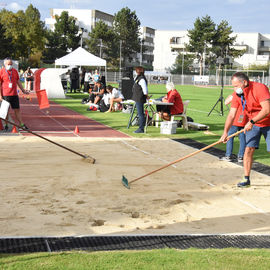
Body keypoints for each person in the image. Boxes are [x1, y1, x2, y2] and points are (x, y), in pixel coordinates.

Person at [220, 72, 270, 187]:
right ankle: (246, 179)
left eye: (236, 86)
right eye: (233, 86)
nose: (234, 88)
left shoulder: (260, 88)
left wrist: (252, 121)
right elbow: (231, 115)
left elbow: (267, 110)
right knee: (248, 150)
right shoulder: (238, 95)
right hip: (253, 124)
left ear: (245, 82)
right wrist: (225, 132)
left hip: (267, 122)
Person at [0, 58, 30, 130]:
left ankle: (21, 124)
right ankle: (6, 124)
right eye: (8, 64)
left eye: (11, 64)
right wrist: (0, 95)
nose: (10, 65)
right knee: (6, 111)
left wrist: (23, 90)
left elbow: (18, 81)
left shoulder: (15, 71)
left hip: (14, 94)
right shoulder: (2, 72)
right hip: (5, 95)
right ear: (5, 64)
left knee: (17, 110)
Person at [219, 93, 248, 163]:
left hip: (235, 119)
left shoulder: (235, 94)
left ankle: (228, 155)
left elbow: (226, 102)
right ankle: (241, 156)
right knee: (243, 138)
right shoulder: (249, 94)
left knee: (229, 137)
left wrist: (230, 96)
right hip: (245, 119)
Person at [131, 66, 149, 133]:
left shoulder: (142, 79)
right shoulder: (138, 78)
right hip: (138, 98)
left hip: (140, 98)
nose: (136, 72)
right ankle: (141, 128)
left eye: (137, 70)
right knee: (140, 114)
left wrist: (147, 96)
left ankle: (141, 129)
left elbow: (145, 90)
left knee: (140, 114)